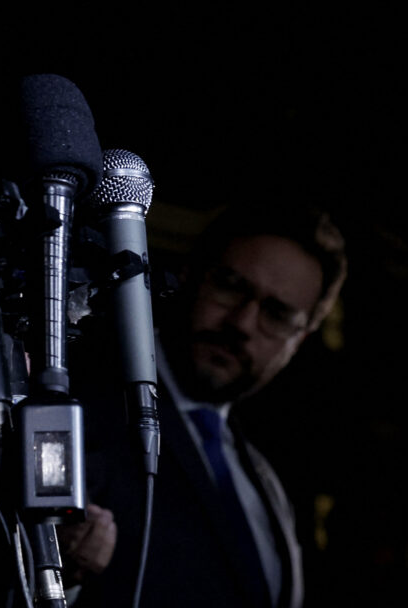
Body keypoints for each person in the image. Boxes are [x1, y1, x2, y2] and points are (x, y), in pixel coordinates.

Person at [71, 201, 348, 608]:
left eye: (277, 312)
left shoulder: (267, 480)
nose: (242, 323)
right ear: (189, 274)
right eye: (231, 285)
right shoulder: (83, 410)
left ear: (300, 339)